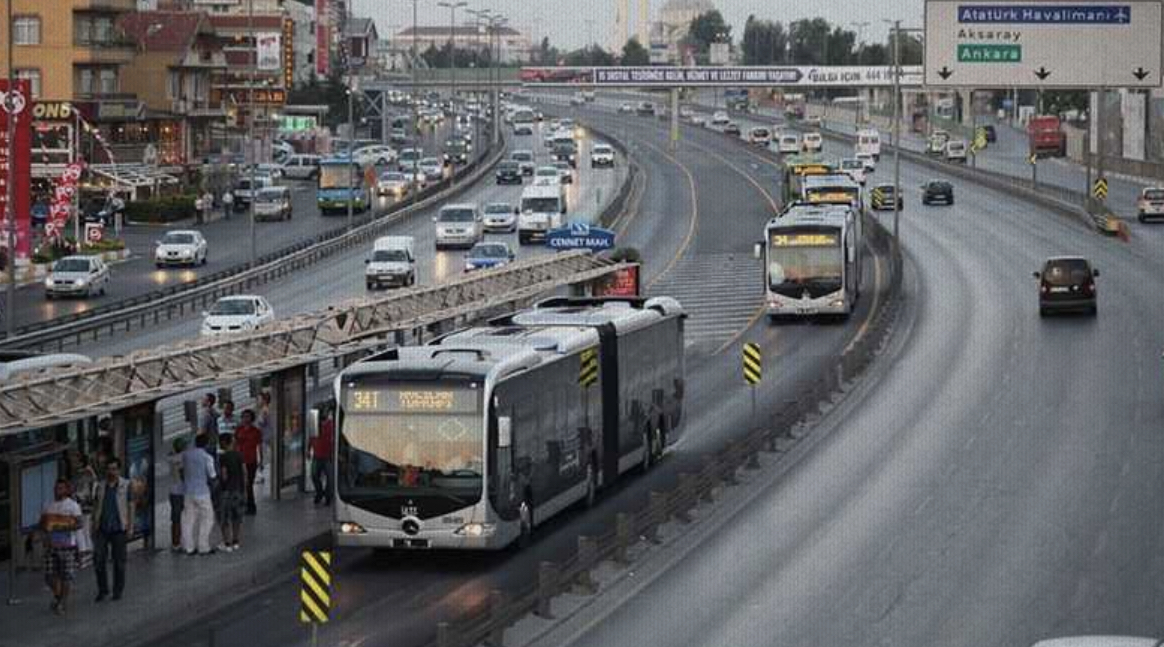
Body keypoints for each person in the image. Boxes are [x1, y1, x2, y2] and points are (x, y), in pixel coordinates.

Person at [91, 457, 134, 602]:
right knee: (98, 559)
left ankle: (118, 590)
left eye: (114, 469)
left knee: (119, 562)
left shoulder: (126, 485)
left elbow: (131, 506)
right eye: (109, 469)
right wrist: (94, 524)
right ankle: (103, 590)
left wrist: (130, 526)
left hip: (119, 528)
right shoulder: (101, 486)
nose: (112, 472)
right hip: (102, 528)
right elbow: (96, 506)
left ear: (119, 470)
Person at [40, 478, 83, 615]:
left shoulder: (73, 506)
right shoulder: (48, 505)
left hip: (67, 545)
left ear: (66, 490)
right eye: (56, 488)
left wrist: (64, 526)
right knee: (49, 575)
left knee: (66, 575)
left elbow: (79, 524)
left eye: (60, 488)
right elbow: (42, 522)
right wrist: (44, 532)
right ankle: (59, 596)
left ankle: (63, 603)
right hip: (51, 545)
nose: (57, 490)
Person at [180, 434, 217, 556]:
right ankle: (203, 546)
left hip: (188, 491)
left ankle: (189, 547)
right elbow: (212, 475)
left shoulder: (186, 455)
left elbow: (180, 468)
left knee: (188, 520)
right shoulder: (207, 457)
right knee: (207, 518)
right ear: (206, 444)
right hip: (202, 491)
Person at [216, 434, 246, 552]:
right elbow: (244, 472)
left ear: (224, 442)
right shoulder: (239, 455)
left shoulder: (223, 457)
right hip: (238, 490)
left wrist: (221, 484)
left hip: (226, 491)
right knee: (236, 517)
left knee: (224, 518)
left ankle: (227, 543)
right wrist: (244, 488)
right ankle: (236, 541)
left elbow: (224, 474)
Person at [68, 452, 97, 569]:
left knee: (81, 532)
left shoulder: (81, 475)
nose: (72, 463)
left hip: (81, 506)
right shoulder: (89, 473)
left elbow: (79, 492)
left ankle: (85, 557)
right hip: (87, 506)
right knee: (85, 531)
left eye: (74, 460)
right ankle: (90, 556)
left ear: (80, 462)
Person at [233, 410, 263, 515]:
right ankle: (242, 504)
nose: (246, 419)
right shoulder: (239, 429)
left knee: (248, 484)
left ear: (252, 418)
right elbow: (235, 443)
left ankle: (251, 505)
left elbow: (259, 446)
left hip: (251, 460)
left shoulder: (256, 431)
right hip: (240, 460)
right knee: (240, 484)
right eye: (244, 417)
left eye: (248, 417)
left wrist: (260, 460)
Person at [310, 409, 335, 506]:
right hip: (317, 455)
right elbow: (311, 437)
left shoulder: (331, 424)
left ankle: (327, 496)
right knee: (314, 475)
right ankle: (320, 492)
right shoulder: (315, 425)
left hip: (327, 456)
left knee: (329, 477)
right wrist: (309, 449)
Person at [168, 438, 187, 552]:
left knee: (175, 519)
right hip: (181, 491)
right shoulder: (182, 459)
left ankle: (175, 542)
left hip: (173, 491)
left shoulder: (171, 457)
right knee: (180, 518)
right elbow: (183, 474)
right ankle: (178, 542)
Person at [198, 393, 220, 461]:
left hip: (207, 444)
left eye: (203, 399)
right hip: (214, 442)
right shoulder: (215, 413)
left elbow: (202, 430)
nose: (201, 401)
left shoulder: (205, 414)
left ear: (208, 403)